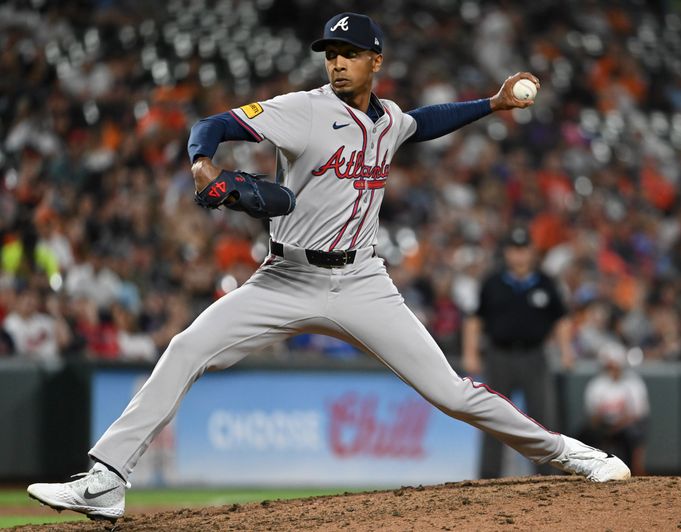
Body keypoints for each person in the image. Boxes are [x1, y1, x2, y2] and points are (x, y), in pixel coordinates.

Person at [27, 12, 629, 522]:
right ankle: (106, 479)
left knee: (452, 393)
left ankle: (573, 454)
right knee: (186, 348)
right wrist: (203, 164)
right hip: (284, 279)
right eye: (330, 54)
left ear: (375, 61)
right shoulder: (302, 110)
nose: (337, 64)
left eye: (349, 54)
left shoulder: (389, 120)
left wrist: (493, 104)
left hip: (362, 281)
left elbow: (426, 122)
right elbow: (210, 125)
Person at [462, 226, 575, 478]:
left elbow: (561, 319)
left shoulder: (546, 282)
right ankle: (488, 478)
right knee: (493, 418)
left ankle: (548, 477)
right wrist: (471, 353)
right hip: (499, 355)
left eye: (524, 250)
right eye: (515, 250)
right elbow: (474, 320)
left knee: (543, 420)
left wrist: (566, 351)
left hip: (535, 355)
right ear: (507, 253)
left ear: (532, 252)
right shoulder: (493, 282)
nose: (519, 256)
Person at [580, 342, 649, 476]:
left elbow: (638, 415)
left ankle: (634, 471)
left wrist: (618, 425)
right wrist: (606, 425)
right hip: (603, 425)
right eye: (610, 366)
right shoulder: (597, 384)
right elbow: (592, 416)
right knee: (585, 434)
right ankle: (589, 471)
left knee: (634, 433)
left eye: (615, 365)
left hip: (625, 426)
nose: (613, 369)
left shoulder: (633, 383)